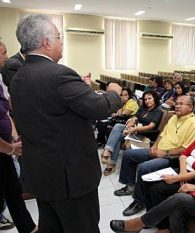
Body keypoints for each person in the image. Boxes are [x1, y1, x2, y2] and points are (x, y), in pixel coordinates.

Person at [10, 14, 123, 233]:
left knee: (52, 226)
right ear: (46, 42)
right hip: (70, 178)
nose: (61, 42)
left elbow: (49, 109)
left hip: (42, 173)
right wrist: (113, 93)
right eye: (59, 37)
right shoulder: (59, 74)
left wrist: (77, 89)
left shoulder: (20, 76)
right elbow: (99, 109)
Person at [114, 95, 195, 216]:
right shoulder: (174, 118)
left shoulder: (194, 125)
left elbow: (186, 150)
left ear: (191, 107)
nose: (177, 106)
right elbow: (162, 134)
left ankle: (139, 201)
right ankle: (130, 187)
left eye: (181, 104)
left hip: (172, 157)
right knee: (129, 154)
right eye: (176, 103)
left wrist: (165, 153)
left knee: (144, 167)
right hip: (158, 149)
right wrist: (155, 146)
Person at [0, 40, 37, 233]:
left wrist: (14, 136)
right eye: (3, 52)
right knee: (11, 188)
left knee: (13, 189)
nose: (7, 56)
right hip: (3, 147)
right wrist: (10, 148)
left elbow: (6, 109)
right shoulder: (14, 65)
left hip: (6, 145)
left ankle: (28, 228)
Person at [100, 90, 162, 175]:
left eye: (149, 98)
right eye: (145, 99)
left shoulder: (158, 110)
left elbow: (151, 126)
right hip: (134, 130)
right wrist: (128, 127)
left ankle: (110, 162)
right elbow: (135, 117)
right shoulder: (143, 107)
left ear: (155, 98)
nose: (147, 101)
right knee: (118, 127)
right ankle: (108, 152)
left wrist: (135, 130)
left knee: (117, 136)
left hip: (144, 134)